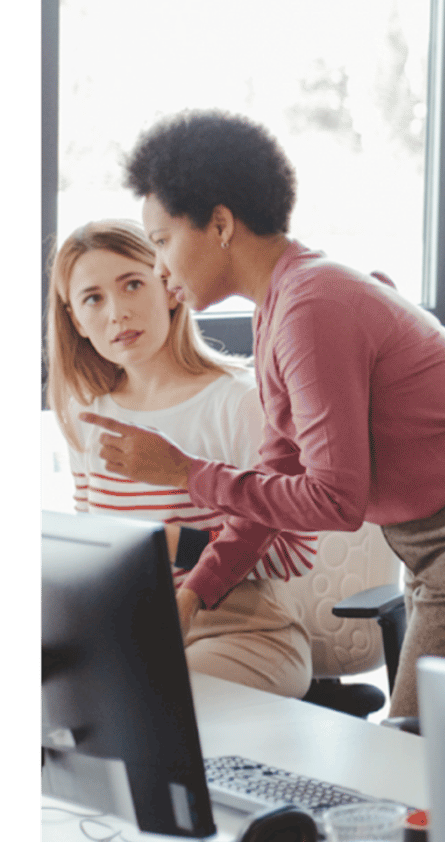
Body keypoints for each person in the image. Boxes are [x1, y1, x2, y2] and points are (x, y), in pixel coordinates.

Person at [83, 110, 445, 719]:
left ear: (220, 225)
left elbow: (334, 501)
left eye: (161, 241)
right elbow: (278, 469)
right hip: (443, 535)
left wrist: (188, 473)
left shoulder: (312, 309)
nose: (159, 267)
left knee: (411, 748)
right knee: (442, 752)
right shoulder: (282, 307)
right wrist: (200, 588)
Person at [47, 220, 316, 697]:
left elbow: (294, 551)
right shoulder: (86, 414)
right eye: (93, 298)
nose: (118, 312)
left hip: (241, 632)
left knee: (145, 695)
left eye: (132, 284)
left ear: (169, 287)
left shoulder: (237, 403)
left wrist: (170, 543)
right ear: (75, 320)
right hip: (133, 633)